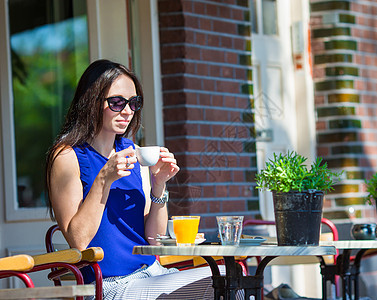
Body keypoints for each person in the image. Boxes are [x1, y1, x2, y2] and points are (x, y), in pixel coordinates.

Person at [44, 59, 235, 299]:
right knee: (225, 283)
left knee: (232, 275)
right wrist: (104, 178)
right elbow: (78, 241)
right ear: (91, 101)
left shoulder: (134, 153)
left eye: (134, 103)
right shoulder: (68, 156)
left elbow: (153, 239)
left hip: (152, 272)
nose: (127, 111)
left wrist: (159, 186)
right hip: (110, 285)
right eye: (116, 102)